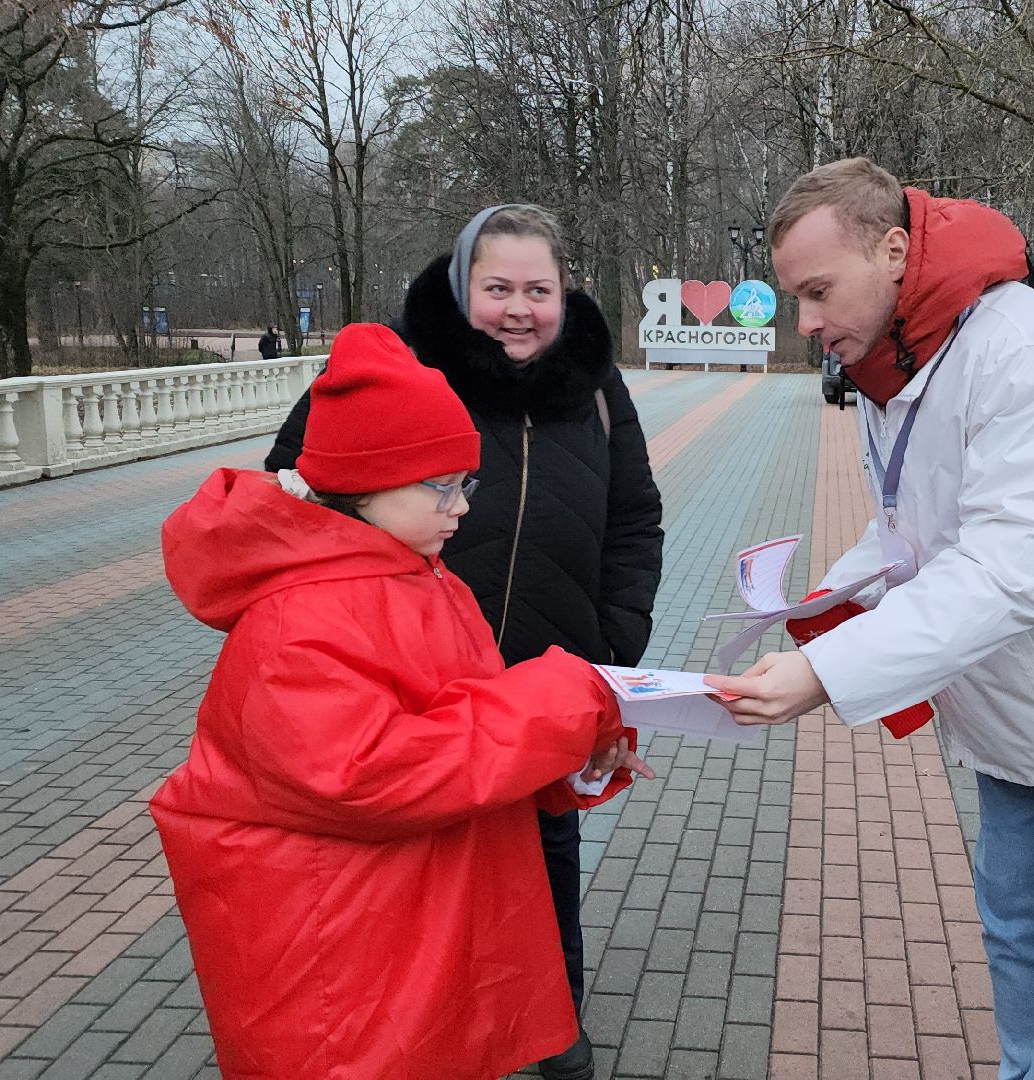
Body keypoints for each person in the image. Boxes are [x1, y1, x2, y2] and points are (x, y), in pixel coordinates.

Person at [706, 158, 1034, 1080]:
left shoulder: (1028, 354)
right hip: (1015, 711)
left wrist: (826, 673)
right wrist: (824, 603)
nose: (806, 323)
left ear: (894, 248)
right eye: (796, 298)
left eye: (819, 291)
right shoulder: (901, 358)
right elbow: (920, 533)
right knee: (1011, 927)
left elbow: (1010, 568)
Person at [151, 322, 652, 1079]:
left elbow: (461, 727)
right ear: (358, 486)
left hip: (398, 934)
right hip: (342, 967)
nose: (462, 508)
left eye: (466, 484)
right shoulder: (302, 616)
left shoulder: (418, 574)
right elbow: (368, 774)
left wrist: (569, 757)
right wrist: (560, 704)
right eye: (440, 487)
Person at [263, 205, 662, 1080]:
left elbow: (634, 519)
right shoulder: (399, 370)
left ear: (565, 293)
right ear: (462, 289)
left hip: (546, 677)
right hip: (416, 683)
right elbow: (297, 488)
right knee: (421, 859)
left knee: (547, 849)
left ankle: (552, 1022)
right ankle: (418, 1028)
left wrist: (611, 650)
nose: (519, 309)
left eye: (538, 289)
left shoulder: (593, 387)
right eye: (498, 289)